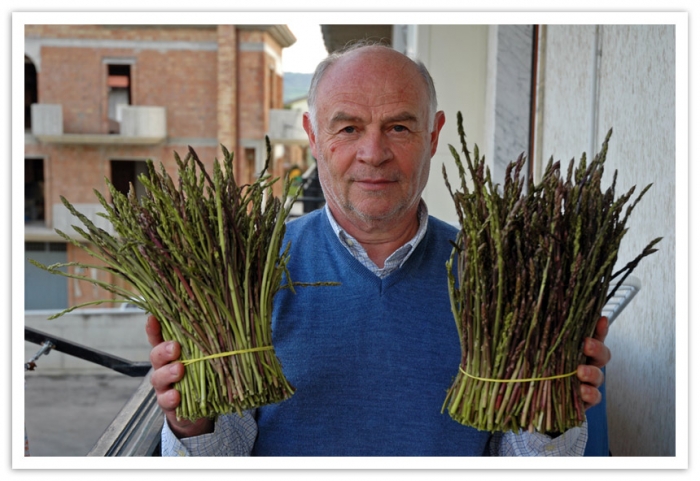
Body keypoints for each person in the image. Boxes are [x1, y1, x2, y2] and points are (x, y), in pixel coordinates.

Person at [146, 42, 612, 456]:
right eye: (348, 128)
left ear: (433, 135)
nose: (373, 152)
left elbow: (526, 463)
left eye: (399, 128)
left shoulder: (501, 275)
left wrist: (551, 417)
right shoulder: (243, 274)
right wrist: (191, 421)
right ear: (312, 136)